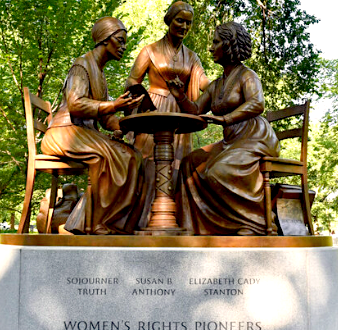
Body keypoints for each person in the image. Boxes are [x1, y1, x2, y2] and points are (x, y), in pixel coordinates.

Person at [167, 22, 280, 235]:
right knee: (190, 163)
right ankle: (196, 226)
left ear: (229, 45)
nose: (211, 48)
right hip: (231, 141)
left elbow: (257, 103)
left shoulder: (248, 75)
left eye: (216, 42)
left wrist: (226, 119)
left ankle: (255, 222)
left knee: (218, 172)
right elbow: (195, 109)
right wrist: (179, 95)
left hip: (254, 137)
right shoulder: (217, 84)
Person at [41, 17, 145, 235]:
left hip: (84, 133)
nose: (124, 47)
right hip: (64, 132)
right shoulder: (82, 64)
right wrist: (112, 104)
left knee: (133, 155)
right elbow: (76, 104)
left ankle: (115, 222)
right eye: (120, 41)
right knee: (112, 156)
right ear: (105, 40)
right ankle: (95, 223)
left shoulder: (101, 73)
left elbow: (107, 121)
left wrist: (128, 117)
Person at [125, 1, 209, 226]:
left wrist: (223, 88)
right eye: (179, 20)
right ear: (169, 20)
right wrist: (139, 101)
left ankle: (173, 217)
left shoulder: (191, 57)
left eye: (188, 23)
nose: (184, 26)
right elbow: (133, 80)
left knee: (176, 163)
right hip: (153, 109)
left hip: (179, 113)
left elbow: (203, 83)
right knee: (147, 161)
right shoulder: (149, 50)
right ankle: (142, 219)